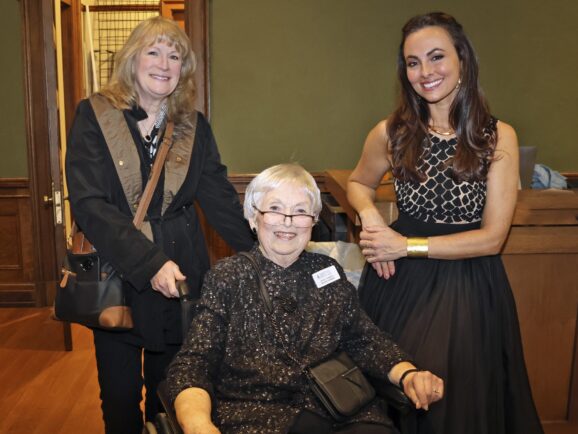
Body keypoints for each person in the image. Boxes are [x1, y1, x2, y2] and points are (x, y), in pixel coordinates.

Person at [347, 12, 543, 434]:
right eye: (413, 62)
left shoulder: (496, 136)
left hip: (470, 280)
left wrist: (406, 245)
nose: (425, 72)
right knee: (396, 390)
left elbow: (492, 238)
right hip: (397, 281)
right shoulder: (390, 132)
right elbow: (358, 183)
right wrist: (370, 220)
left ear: (463, 61)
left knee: (451, 402)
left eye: (436, 57)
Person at [65, 16, 254, 434]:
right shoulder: (94, 116)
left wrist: (264, 253)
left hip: (181, 278)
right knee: (118, 396)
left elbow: (220, 199)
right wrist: (149, 264)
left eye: (175, 56)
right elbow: (90, 204)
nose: (164, 64)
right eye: (154, 52)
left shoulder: (193, 126)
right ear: (133, 59)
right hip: (122, 274)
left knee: (171, 392)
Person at [165, 163, 444, 434]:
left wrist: (409, 374)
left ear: (312, 221)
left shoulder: (327, 272)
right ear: (253, 217)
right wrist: (198, 425)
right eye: (274, 209)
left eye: (300, 212)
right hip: (258, 415)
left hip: (339, 407)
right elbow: (194, 363)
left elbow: (364, 339)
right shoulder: (228, 277)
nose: (288, 222)